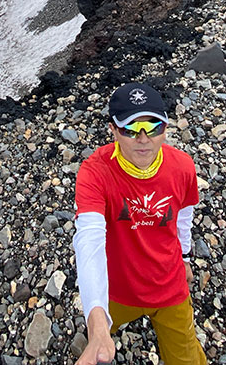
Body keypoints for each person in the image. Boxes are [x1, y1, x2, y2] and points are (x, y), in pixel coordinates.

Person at [73, 82, 207, 365]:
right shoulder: (94, 172)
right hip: (118, 291)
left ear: (166, 128)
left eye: (154, 127)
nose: (143, 139)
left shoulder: (183, 167)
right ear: (113, 130)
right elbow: (89, 239)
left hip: (170, 287)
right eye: (131, 129)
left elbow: (184, 215)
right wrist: (97, 320)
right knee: (98, 341)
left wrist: (184, 257)